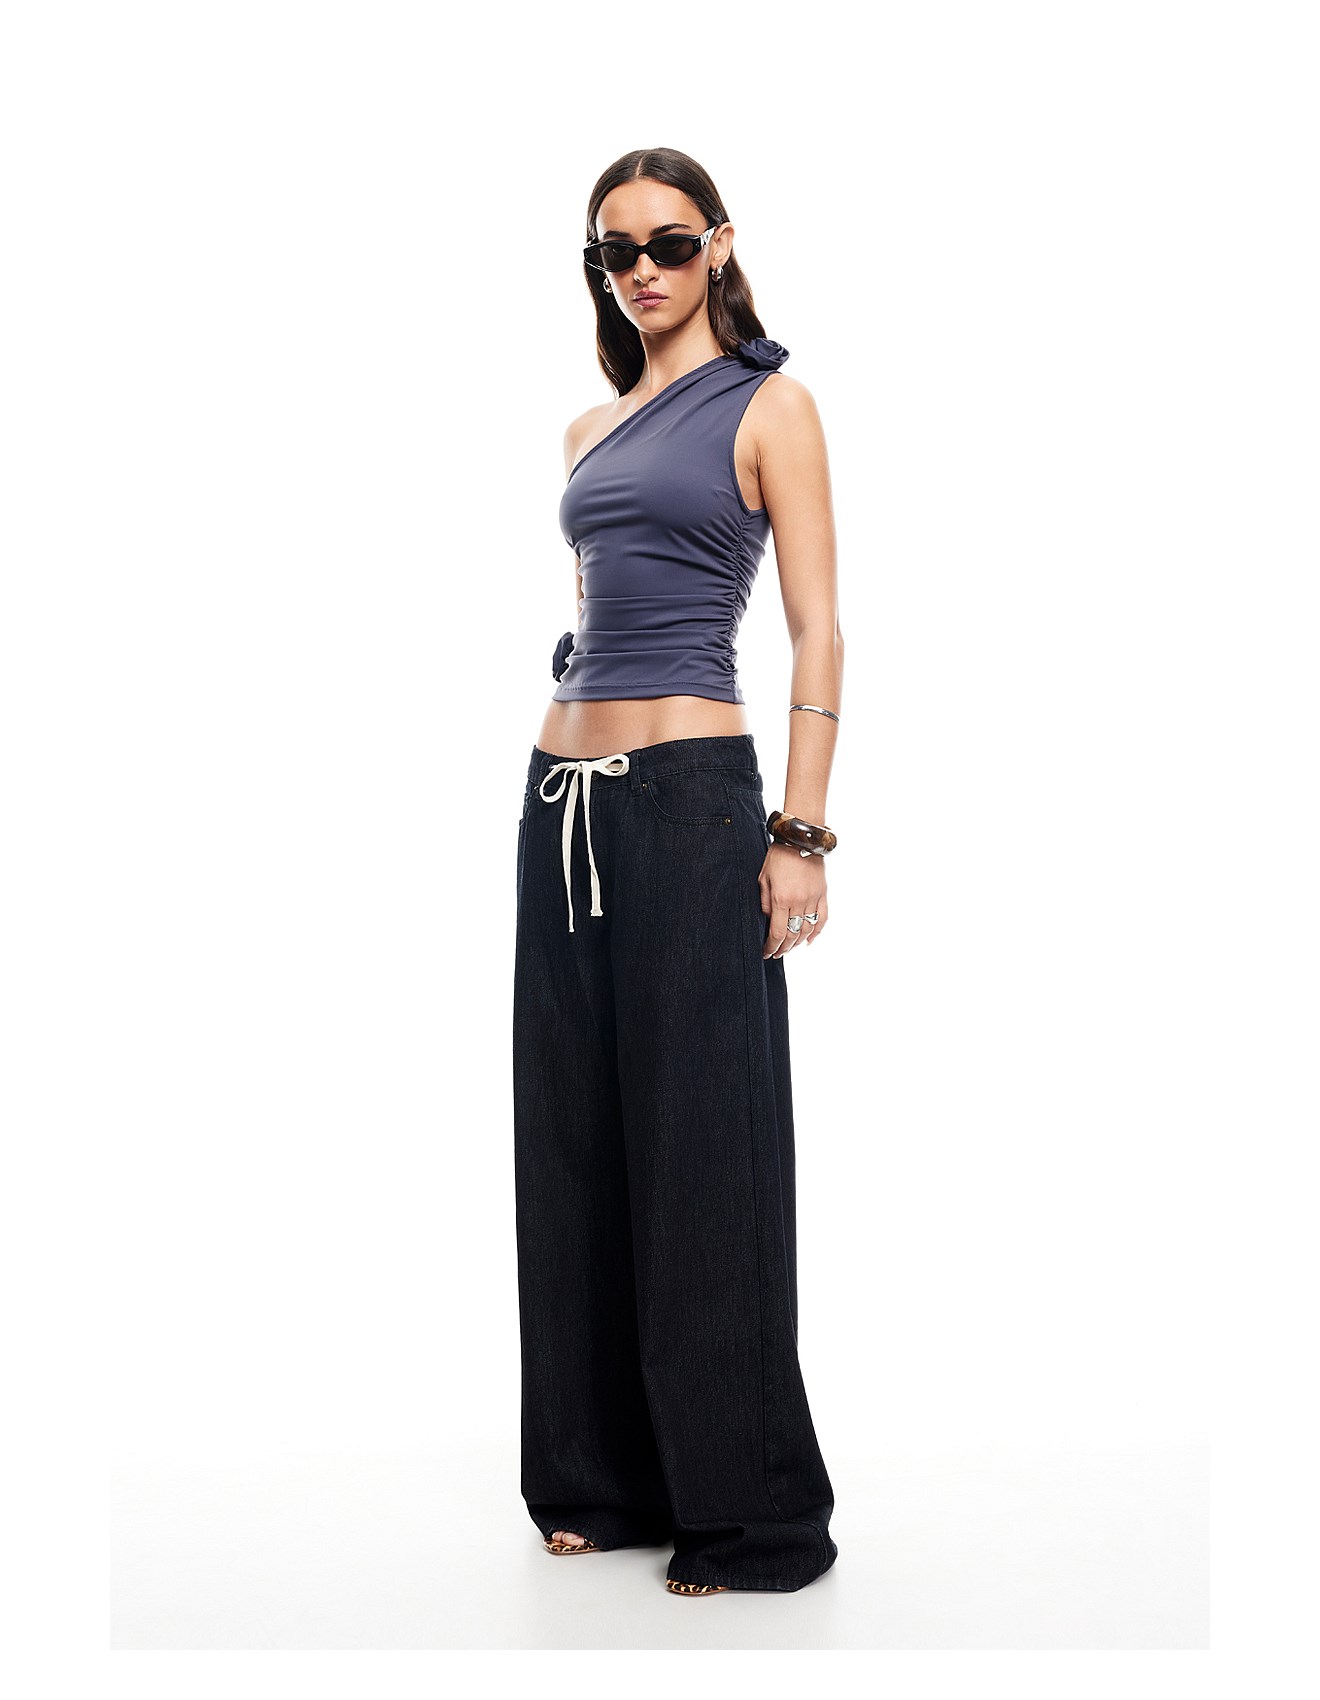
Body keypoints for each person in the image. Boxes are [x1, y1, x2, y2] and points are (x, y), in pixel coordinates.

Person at [512, 147, 844, 1597]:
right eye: (614, 252)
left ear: (716, 243)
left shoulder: (772, 405)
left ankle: (749, 1512)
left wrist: (800, 831)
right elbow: (600, 605)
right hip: (559, 804)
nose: (640, 269)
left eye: (664, 242)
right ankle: (602, 1477)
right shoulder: (589, 429)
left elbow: (819, 630)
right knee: (572, 1138)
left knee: (706, 1144)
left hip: (695, 803)